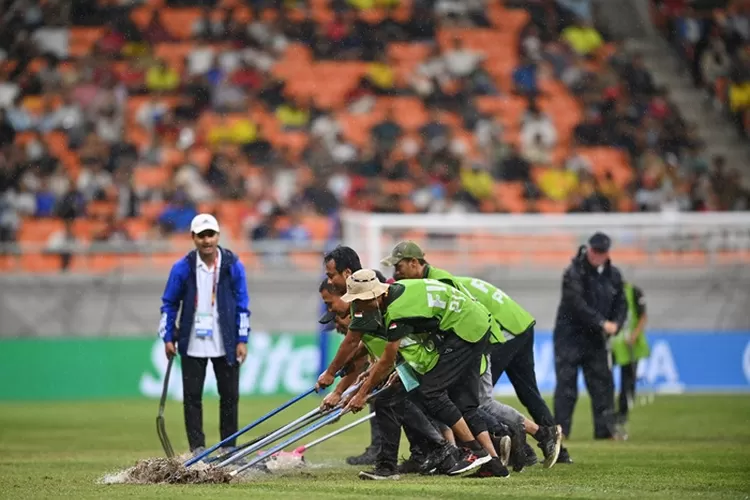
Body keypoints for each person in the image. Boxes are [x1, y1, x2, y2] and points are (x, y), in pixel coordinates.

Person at [381, 240, 562, 468]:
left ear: (415, 263)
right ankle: (533, 443)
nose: (396, 274)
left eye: (398, 267)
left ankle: (520, 442)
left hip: (490, 334)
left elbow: (457, 319)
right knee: (516, 395)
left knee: (475, 402)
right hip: (506, 328)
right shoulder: (435, 279)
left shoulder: (435, 282)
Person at [319, 269, 509, 477]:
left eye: (360, 300)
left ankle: (474, 452)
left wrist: (362, 394)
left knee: (431, 392)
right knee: (456, 402)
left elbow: (387, 359)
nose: (358, 306)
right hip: (472, 323)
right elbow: (360, 343)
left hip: (464, 329)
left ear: (375, 295)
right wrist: (338, 376)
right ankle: (495, 466)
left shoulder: (397, 312)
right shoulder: (396, 292)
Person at [159, 213, 250, 455]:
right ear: (193, 238)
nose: (207, 240)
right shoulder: (182, 268)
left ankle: (229, 448)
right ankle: (197, 448)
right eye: (201, 236)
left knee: (230, 396)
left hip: (227, 341)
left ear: (218, 236)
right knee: (192, 398)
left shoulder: (233, 266)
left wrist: (242, 339)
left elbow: (243, 304)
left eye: (210, 235)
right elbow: (169, 304)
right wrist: (168, 337)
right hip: (192, 340)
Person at [553, 232, 627, 444]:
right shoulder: (573, 273)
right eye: (595, 251)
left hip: (596, 340)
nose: (597, 255)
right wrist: (603, 323)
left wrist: (617, 324)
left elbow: (622, 304)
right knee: (566, 387)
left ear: (607, 253)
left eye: (602, 252)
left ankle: (605, 430)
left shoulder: (614, 276)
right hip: (569, 338)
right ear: (589, 249)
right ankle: (561, 430)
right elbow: (576, 305)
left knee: (603, 385)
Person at [321, 245, 381, 466]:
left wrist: (334, 382)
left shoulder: (366, 291)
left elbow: (354, 343)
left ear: (346, 273)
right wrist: (342, 392)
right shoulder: (359, 293)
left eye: (331, 276)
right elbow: (362, 354)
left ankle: (440, 450)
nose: (330, 281)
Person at [611, 281, 649, 429]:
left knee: (628, 380)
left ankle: (622, 413)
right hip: (614, 344)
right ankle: (609, 412)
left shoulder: (633, 292)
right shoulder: (608, 292)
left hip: (630, 343)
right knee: (605, 378)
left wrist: (634, 335)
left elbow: (642, 316)